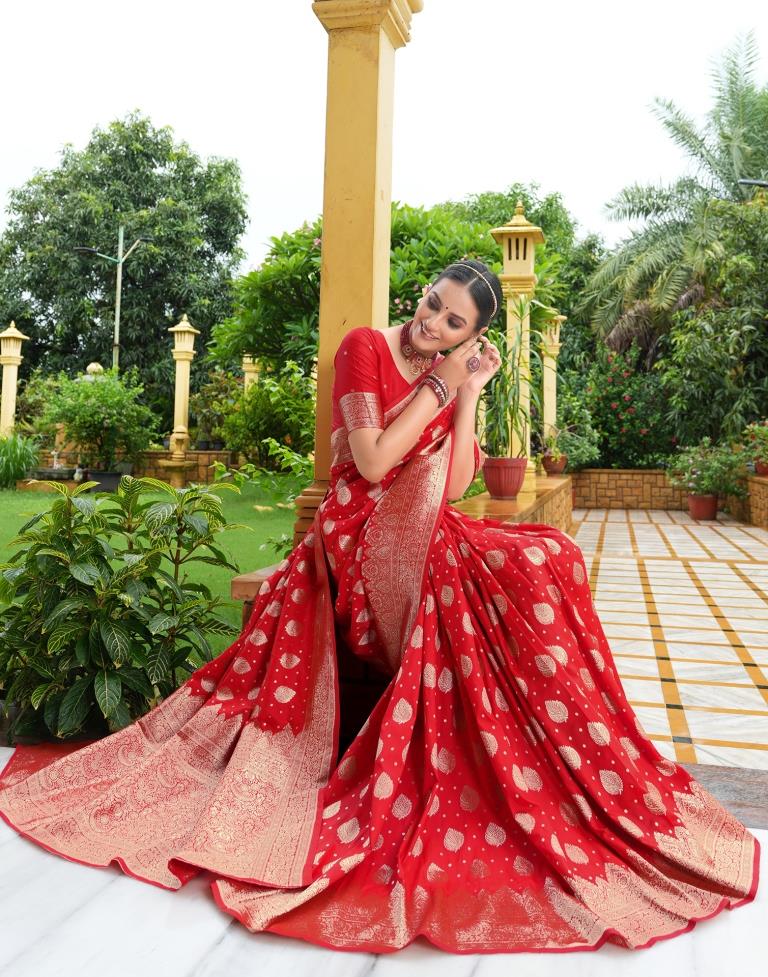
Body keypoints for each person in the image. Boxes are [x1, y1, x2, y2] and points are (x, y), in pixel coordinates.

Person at [0, 259, 760, 954]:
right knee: (489, 560)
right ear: (424, 292)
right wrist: (435, 382)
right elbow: (367, 461)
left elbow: (457, 480)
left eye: (453, 324)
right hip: (358, 533)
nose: (432, 324)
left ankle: (556, 764)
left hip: (425, 522)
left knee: (548, 557)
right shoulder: (366, 346)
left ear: (473, 335)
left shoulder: (447, 373)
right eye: (433, 306)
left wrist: (467, 392)